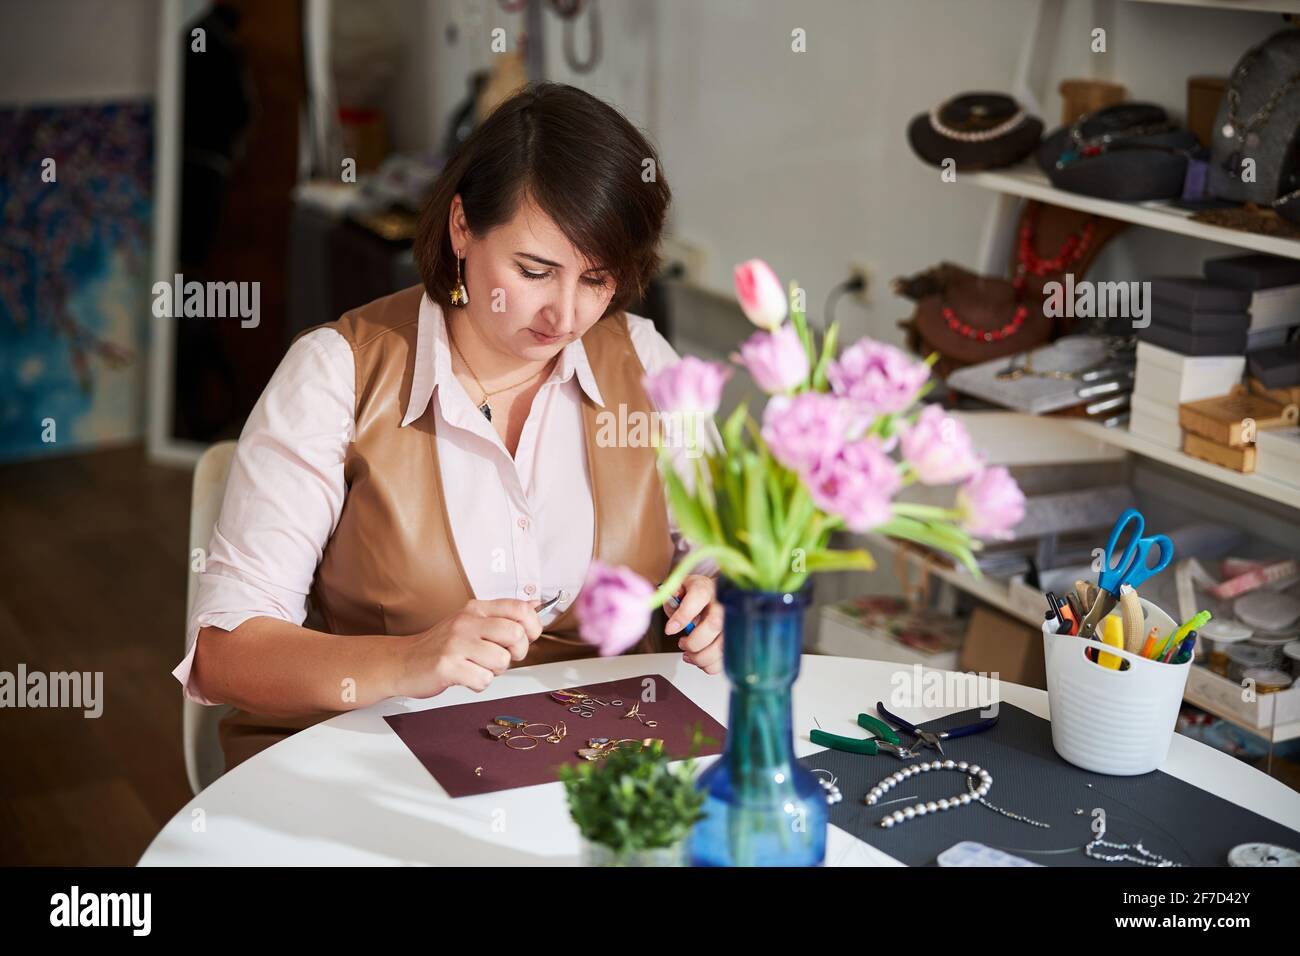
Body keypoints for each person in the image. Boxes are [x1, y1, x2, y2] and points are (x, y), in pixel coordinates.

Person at [172, 83, 725, 773]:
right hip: (377, 762)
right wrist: (408, 659)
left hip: (593, 768)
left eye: (597, 279)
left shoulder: (643, 363)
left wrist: (716, 595)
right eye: (533, 271)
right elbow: (227, 656)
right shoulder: (336, 374)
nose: (564, 316)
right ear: (463, 228)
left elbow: (722, 554)